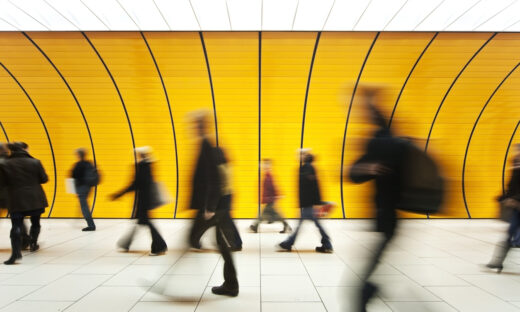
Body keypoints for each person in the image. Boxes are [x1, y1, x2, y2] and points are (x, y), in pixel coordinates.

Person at [349, 89, 407, 311]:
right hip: (392, 214)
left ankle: (367, 293)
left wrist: (367, 166)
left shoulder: (378, 144)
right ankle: (370, 290)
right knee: (375, 262)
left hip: (384, 214)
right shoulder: (399, 144)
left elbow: (353, 174)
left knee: (369, 269)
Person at [188, 111, 242, 251]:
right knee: (221, 221)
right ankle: (226, 243)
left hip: (221, 194)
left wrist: (211, 205)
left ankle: (232, 243)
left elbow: (217, 180)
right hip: (222, 194)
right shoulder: (223, 160)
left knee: (220, 220)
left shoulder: (208, 148)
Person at [110, 146, 167, 256]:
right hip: (145, 199)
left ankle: (160, 246)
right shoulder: (149, 165)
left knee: (146, 223)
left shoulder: (142, 166)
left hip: (143, 201)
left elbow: (136, 184)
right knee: (141, 222)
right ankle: (125, 244)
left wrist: (119, 194)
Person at [0, 142, 48, 264]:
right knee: (35, 222)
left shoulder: (6, 164)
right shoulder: (35, 162)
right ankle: (33, 243)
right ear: (23, 149)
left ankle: (15, 254)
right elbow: (44, 179)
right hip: (35, 198)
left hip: (16, 199)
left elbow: (3, 183)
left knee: (16, 225)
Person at [278, 150, 332, 253]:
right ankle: (327, 244)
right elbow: (313, 186)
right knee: (312, 224)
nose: (298, 156)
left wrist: (313, 204)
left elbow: (309, 188)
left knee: (306, 224)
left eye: (300, 154)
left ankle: (289, 243)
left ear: (305, 156)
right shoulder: (307, 168)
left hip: (308, 203)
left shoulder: (307, 168)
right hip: (309, 203)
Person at [486, 144, 520, 272]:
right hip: (517, 208)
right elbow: (511, 186)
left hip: (517, 204)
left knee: (512, 232)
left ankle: (497, 261)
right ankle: (497, 262)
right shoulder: (515, 165)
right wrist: (504, 197)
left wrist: (515, 199)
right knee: (510, 232)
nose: (517, 154)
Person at [211, 147, 239, 296]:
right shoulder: (227, 166)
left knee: (222, 245)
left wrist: (210, 208)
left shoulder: (219, 169)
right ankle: (230, 283)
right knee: (223, 244)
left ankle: (231, 285)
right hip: (225, 207)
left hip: (220, 209)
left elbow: (218, 190)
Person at [250, 159, 291, 234]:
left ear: (269, 166)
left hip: (270, 199)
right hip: (269, 199)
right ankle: (255, 226)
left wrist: (278, 195)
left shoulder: (268, 176)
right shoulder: (267, 175)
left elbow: (273, 187)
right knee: (271, 214)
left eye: (265, 164)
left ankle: (255, 226)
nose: (262, 166)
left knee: (266, 215)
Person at [71, 148, 96, 231]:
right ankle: (90, 223)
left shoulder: (78, 165)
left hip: (81, 187)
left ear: (79, 155)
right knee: (84, 205)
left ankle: (91, 225)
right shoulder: (89, 163)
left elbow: (73, 176)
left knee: (84, 207)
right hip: (88, 187)